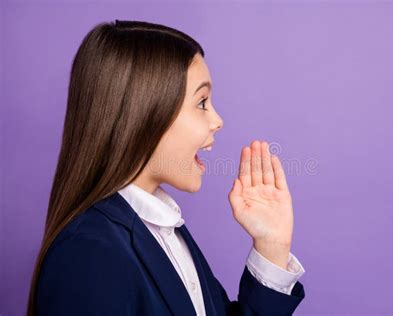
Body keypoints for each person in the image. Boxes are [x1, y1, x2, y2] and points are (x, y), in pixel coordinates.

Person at [27, 19, 306, 315]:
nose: (217, 120)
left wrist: (272, 247)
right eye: (202, 102)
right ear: (143, 113)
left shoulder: (164, 230)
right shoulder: (88, 255)